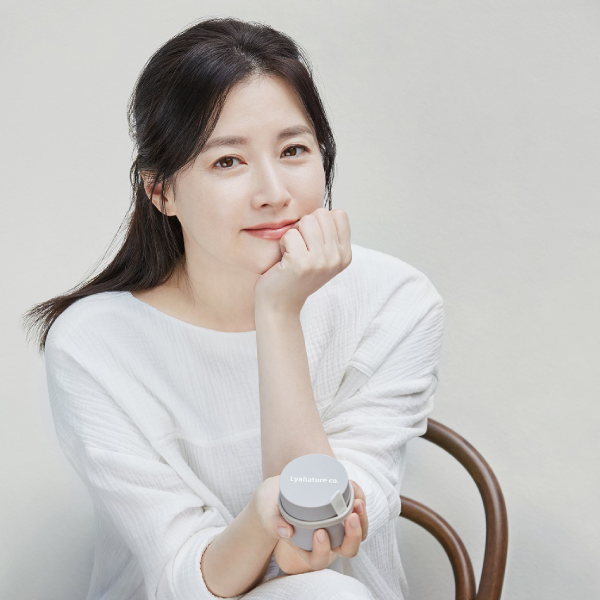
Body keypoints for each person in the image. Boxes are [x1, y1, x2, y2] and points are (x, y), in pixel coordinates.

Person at [22, 16, 445, 600]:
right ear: (161, 190)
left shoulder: (394, 302)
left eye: (294, 150)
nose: (274, 192)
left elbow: (319, 537)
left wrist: (278, 314)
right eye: (227, 161)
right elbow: (182, 577)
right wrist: (261, 520)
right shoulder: (95, 344)